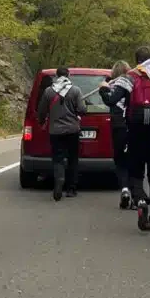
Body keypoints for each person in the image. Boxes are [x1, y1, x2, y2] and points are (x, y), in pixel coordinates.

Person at [104, 46, 150, 234]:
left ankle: (139, 200)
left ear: (136, 60)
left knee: (135, 173)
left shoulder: (128, 78)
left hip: (135, 132)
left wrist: (103, 90)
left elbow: (111, 100)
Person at [37, 66, 87, 201]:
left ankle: (59, 180)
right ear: (68, 76)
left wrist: (41, 122)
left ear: (56, 76)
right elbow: (82, 109)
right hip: (72, 130)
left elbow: (42, 111)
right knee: (73, 159)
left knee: (58, 159)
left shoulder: (49, 91)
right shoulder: (75, 90)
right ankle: (71, 189)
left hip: (55, 131)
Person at [99, 60, 133, 210]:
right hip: (132, 125)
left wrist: (102, 89)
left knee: (120, 160)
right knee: (132, 160)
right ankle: (134, 193)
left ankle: (124, 189)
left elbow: (110, 100)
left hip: (119, 125)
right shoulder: (133, 83)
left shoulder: (119, 84)